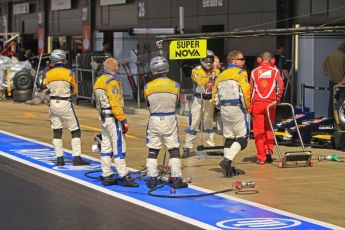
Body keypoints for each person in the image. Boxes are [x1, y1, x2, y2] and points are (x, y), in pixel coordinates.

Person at [143, 56, 188, 189]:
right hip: (169, 119)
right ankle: (176, 178)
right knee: (173, 149)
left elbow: (147, 103)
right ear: (167, 68)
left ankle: (152, 179)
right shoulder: (175, 85)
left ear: (153, 70)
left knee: (153, 149)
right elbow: (177, 102)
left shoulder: (147, 87)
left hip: (154, 119)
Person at [93, 58, 139, 187]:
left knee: (106, 146)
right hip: (113, 118)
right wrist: (122, 119)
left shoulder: (99, 81)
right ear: (116, 68)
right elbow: (115, 103)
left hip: (103, 117)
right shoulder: (112, 82)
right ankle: (123, 175)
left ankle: (107, 175)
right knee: (119, 146)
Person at [44, 49, 90, 166]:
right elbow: (74, 90)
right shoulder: (69, 73)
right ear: (63, 59)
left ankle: (59, 158)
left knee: (57, 131)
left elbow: (45, 87)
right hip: (65, 103)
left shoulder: (48, 74)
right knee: (75, 130)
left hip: (53, 103)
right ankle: (76, 158)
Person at [212, 50, 250, 177]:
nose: (244, 61)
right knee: (243, 138)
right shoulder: (241, 73)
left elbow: (214, 94)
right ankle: (227, 160)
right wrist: (247, 107)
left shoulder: (221, 75)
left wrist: (218, 106)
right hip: (237, 108)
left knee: (229, 138)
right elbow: (245, 91)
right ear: (234, 61)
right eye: (242, 59)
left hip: (224, 109)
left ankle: (228, 169)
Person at [182, 50, 220, 158]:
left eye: (211, 60)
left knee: (208, 124)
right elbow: (204, 84)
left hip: (209, 100)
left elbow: (215, 82)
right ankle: (187, 147)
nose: (208, 62)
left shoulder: (216, 70)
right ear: (201, 60)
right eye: (206, 59)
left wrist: (213, 79)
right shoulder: (196, 70)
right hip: (198, 100)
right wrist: (211, 80)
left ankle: (210, 146)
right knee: (194, 123)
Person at [250, 52, 284, 165]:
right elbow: (280, 85)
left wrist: (249, 105)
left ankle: (261, 157)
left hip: (257, 104)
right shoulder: (275, 71)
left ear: (259, 60)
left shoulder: (254, 72)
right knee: (269, 128)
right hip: (271, 104)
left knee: (258, 131)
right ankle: (269, 150)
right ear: (272, 61)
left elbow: (250, 90)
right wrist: (277, 99)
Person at [322, 41, 345, 117]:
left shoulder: (330, 56)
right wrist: (341, 82)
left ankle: (330, 120)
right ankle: (339, 122)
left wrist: (330, 76)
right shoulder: (344, 56)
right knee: (342, 103)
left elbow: (324, 69)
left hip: (332, 83)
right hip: (342, 84)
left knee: (332, 102)